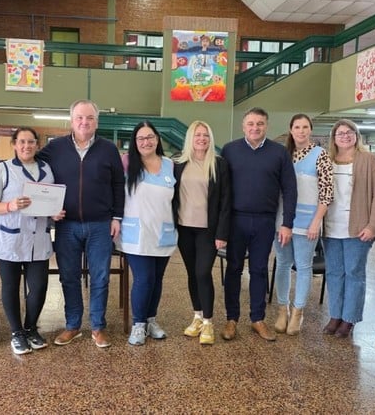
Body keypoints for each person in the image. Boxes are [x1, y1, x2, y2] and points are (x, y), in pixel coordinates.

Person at [38, 100, 125, 349]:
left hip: (100, 224)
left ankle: (97, 326)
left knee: (100, 277)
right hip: (67, 225)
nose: (84, 122)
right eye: (79, 117)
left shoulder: (109, 149)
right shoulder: (55, 148)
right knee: (69, 277)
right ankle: (73, 325)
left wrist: (117, 217)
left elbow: (118, 184)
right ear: (71, 120)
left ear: (97, 121)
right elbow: (28, 162)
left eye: (89, 118)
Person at [0, 127, 64, 355]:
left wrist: (54, 213)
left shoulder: (47, 169)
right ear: (14, 144)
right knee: (11, 286)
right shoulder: (2, 169)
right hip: (9, 238)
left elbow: (49, 202)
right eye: (22, 142)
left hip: (38, 238)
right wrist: (10, 206)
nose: (26, 146)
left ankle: (30, 328)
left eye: (31, 142)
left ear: (37, 145)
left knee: (39, 287)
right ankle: (16, 332)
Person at [221, 107, 297, 341]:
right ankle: (231, 319)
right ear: (243, 126)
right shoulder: (229, 150)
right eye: (251, 123)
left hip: (265, 221)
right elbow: (221, 189)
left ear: (267, 126)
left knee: (259, 270)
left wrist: (287, 223)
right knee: (233, 269)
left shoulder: (279, 153)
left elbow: (290, 190)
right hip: (235, 220)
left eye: (260, 123)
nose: (255, 128)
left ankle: (257, 319)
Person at [322, 119, 375, 338]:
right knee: (334, 273)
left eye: (350, 132)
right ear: (334, 138)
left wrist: (373, 225)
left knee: (354, 273)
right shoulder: (327, 160)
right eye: (340, 133)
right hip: (330, 227)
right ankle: (335, 315)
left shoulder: (368, 160)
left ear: (356, 136)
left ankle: (349, 318)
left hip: (358, 227)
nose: (345, 136)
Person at [273, 114, 333, 336]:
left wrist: (316, 222)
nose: (301, 131)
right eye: (297, 127)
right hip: (282, 221)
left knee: (303, 266)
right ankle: (283, 309)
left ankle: (298, 312)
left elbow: (327, 193)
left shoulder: (320, 155)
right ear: (291, 130)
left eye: (305, 127)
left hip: (308, 222)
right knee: (282, 264)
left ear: (310, 130)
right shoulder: (283, 155)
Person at [118, 121, 177, 346]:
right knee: (144, 279)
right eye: (141, 138)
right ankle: (138, 324)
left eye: (150, 137)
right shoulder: (126, 162)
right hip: (137, 233)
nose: (146, 142)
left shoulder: (170, 165)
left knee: (157, 279)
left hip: (163, 232)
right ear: (135, 142)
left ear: (157, 139)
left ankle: (151, 320)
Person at [173, 121, 230, 345]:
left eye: (206, 135)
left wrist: (222, 233)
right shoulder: (179, 163)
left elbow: (225, 201)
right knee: (191, 273)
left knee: (203, 273)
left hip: (208, 230)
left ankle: (208, 321)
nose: (202, 139)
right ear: (190, 138)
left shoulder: (219, 164)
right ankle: (197, 316)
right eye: (197, 135)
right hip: (184, 228)